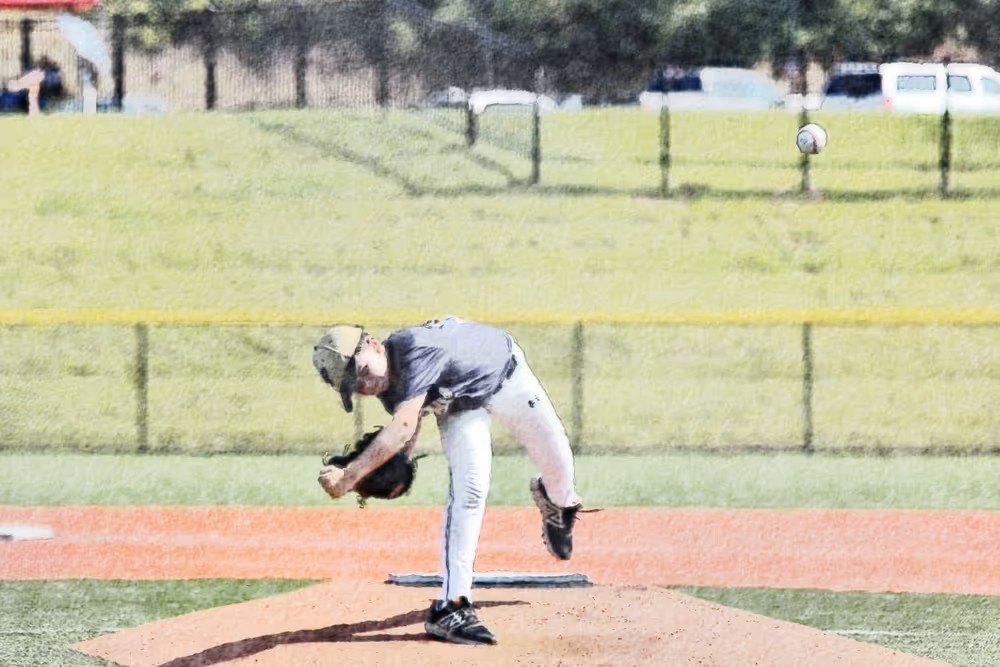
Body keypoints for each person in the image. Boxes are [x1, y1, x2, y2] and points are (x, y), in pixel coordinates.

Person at [312, 316, 589, 646]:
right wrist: (397, 462)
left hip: (506, 375)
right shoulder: (387, 385)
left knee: (558, 461)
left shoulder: (414, 349)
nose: (364, 385)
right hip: (459, 406)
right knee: (470, 490)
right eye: (353, 386)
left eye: (361, 372)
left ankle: (557, 502)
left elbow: (401, 428)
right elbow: (411, 421)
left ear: (374, 345)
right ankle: (452, 606)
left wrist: (349, 476)